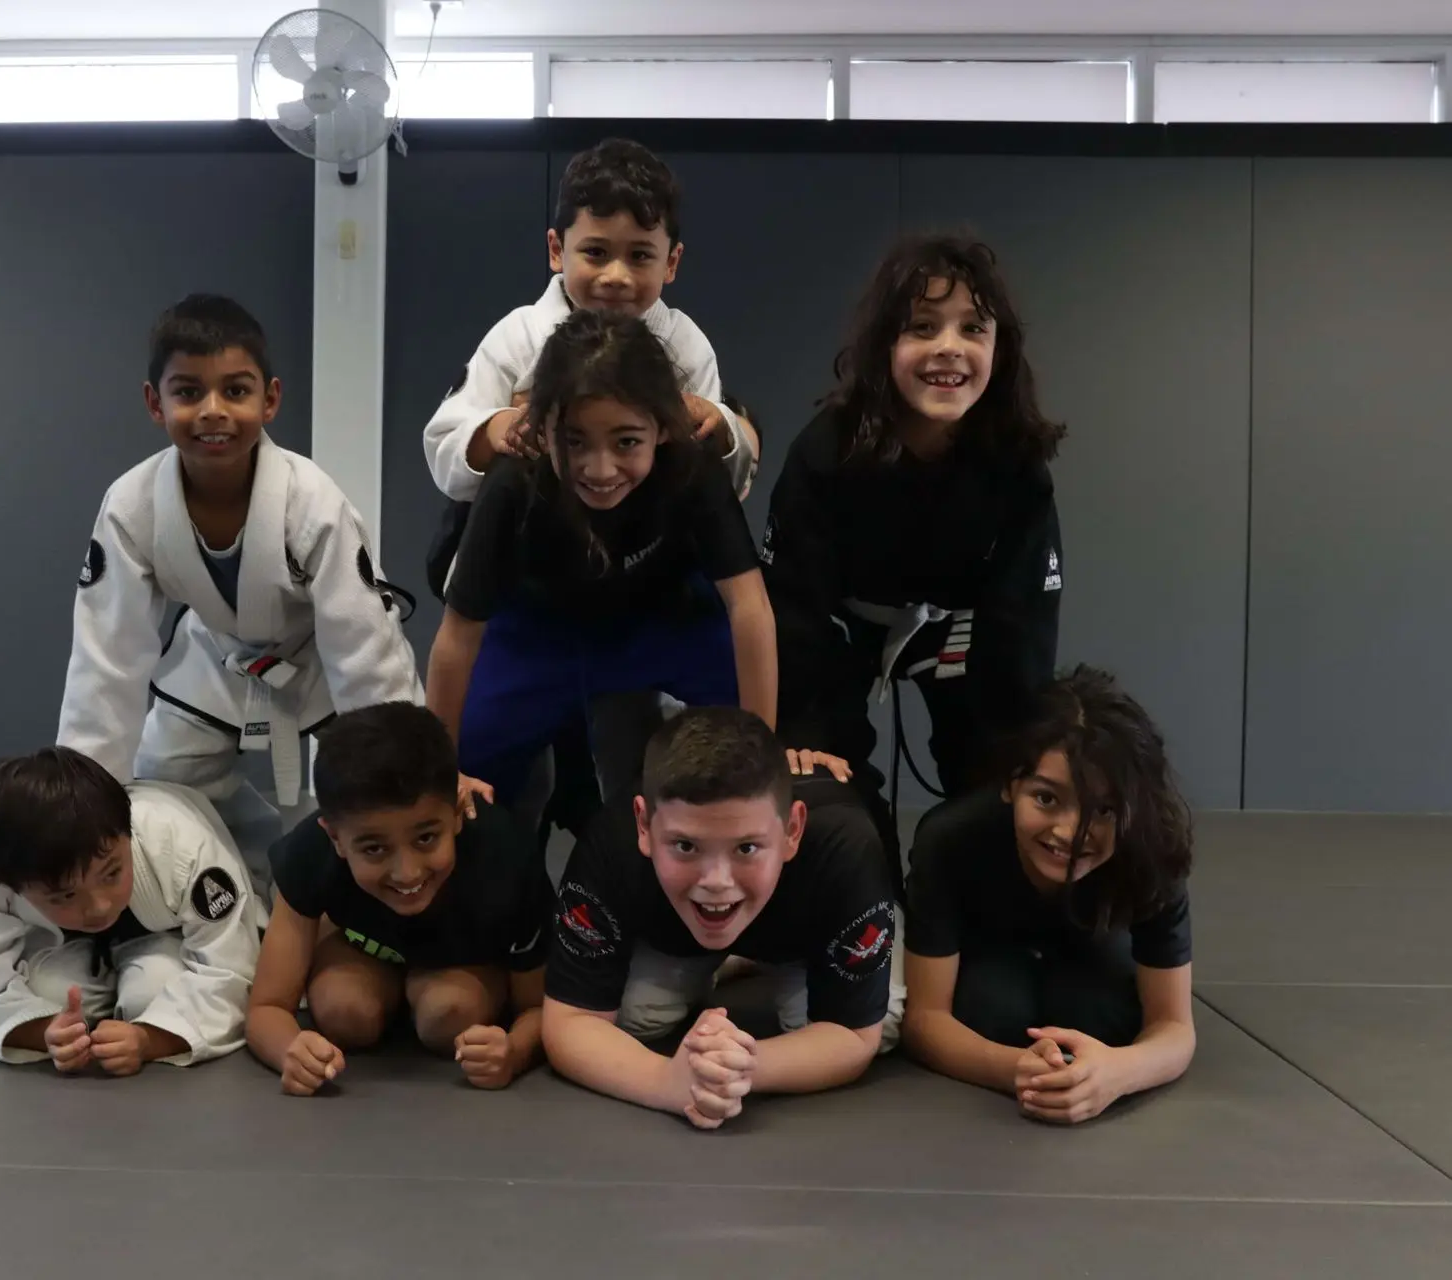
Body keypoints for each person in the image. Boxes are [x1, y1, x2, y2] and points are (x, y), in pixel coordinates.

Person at [423, 137, 760, 845]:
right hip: (536, 597)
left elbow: (719, 493)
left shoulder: (684, 345)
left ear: (672, 262)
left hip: (649, 593)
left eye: (640, 255)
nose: (615, 275)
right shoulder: (517, 339)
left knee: (715, 738)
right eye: (595, 251)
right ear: (556, 249)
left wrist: (723, 427)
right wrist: (502, 428)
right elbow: (446, 448)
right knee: (476, 761)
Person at [56, 293, 425, 905]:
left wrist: (410, 781)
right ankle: (243, 885)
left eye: (235, 390)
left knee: (349, 801)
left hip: (319, 665)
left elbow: (364, 648)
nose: (213, 412)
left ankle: (326, 909)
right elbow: (107, 658)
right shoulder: (131, 505)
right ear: (155, 403)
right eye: (188, 392)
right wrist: (77, 807)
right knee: (160, 785)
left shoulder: (312, 501)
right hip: (217, 656)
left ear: (270, 399)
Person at [425, 309, 778, 825]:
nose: (600, 468)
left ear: (663, 429)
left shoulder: (692, 468)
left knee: (761, 726)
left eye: (627, 442)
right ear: (539, 428)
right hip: (537, 633)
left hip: (659, 622)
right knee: (457, 759)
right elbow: (457, 636)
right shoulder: (513, 484)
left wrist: (762, 753)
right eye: (573, 441)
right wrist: (439, 774)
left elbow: (749, 606)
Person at [760, 233, 1065, 818]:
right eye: (923, 327)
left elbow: (1022, 630)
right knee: (826, 793)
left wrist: (1016, 755)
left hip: (960, 632)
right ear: (884, 346)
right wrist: (799, 729)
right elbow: (791, 609)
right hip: (843, 629)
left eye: (973, 328)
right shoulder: (825, 453)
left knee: (995, 794)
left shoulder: (1017, 466)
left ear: (1001, 351)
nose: (949, 347)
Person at [542, 707, 901, 1130]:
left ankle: (749, 957)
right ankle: (729, 960)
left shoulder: (845, 845)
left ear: (792, 831)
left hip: (808, 944)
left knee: (885, 1020)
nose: (716, 882)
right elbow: (569, 1021)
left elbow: (855, 1035)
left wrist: (740, 1067)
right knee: (636, 1018)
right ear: (643, 825)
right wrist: (669, 1082)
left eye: (747, 848)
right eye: (685, 846)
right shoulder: (610, 840)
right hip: (679, 936)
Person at [901, 666, 1196, 1124]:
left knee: (1100, 1017)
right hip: (989, 954)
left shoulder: (1152, 850)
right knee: (993, 1011)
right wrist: (1017, 1070)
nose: (1069, 833)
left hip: (1091, 950)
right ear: (1009, 785)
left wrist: (1118, 1072)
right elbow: (924, 1019)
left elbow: (1174, 1027)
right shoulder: (950, 838)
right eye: (1046, 798)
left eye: (1103, 810)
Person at [246, 703, 552, 1095]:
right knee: (344, 1012)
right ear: (335, 837)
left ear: (457, 812)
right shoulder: (310, 852)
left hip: (461, 969)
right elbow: (266, 1008)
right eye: (374, 848)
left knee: (451, 1013)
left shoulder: (507, 857)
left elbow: (537, 1007)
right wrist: (289, 1050)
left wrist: (514, 1051)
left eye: (426, 838)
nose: (407, 872)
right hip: (364, 956)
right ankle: (351, 960)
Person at [0, 747, 260, 1073]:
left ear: (126, 833)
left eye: (112, 873)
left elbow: (229, 973)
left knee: (152, 993)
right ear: (13, 886)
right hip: (58, 945)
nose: (99, 906)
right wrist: (45, 1033)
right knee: (54, 997)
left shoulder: (181, 844)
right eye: (64, 896)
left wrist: (150, 1039)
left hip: (168, 936)